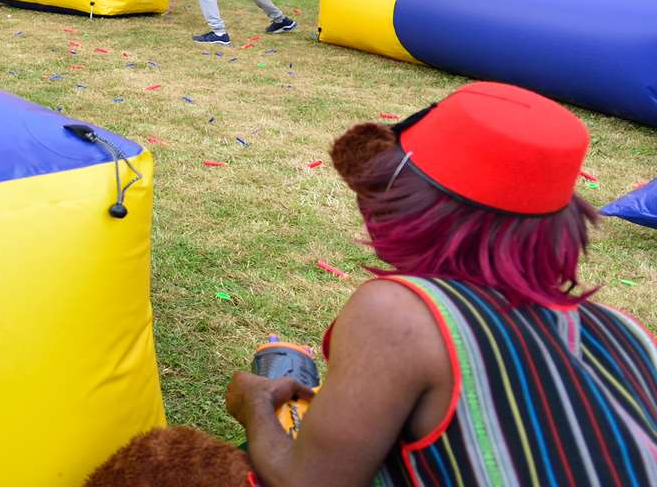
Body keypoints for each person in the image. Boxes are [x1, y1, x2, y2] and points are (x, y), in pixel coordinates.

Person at [222, 83, 657, 486]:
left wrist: (255, 404)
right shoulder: (631, 334)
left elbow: (311, 482)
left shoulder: (399, 314)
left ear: (407, 202)